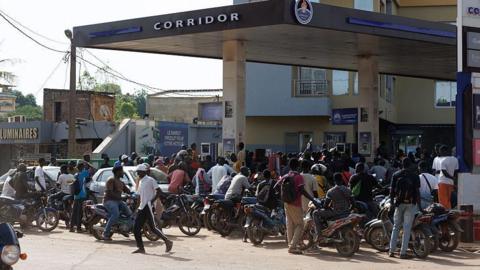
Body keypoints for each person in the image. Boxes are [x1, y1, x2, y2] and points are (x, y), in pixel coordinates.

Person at [132, 164, 173, 254]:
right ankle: (141, 248)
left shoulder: (150, 180)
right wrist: (137, 208)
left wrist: (151, 201)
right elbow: (139, 196)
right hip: (142, 207)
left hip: (148, 206)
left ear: (143, 172)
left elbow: (159, 191)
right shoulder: (141, 181)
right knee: (136, 229)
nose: (137, 173)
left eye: (139, 172)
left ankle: (167, 241)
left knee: (153, 227)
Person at [388, 158, 421, 259]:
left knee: (396, 227)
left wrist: (392, 203)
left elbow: (392, 191)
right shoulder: (414, 176)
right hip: (411, 204)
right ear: (410, 165)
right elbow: (417, 192)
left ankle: (391, 251)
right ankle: (403, 253)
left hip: (399, 203)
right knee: (407, 228)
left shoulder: (396, 175)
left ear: (401, 165)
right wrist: (420, 206)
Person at [102, 165, 132, 240]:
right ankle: (105, 233)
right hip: (109, 201)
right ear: (118, 172)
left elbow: (127, 190)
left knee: (129, 214)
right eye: (122, 171)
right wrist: (121, 197)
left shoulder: (121, 182)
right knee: (115, 214)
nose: (123, 173)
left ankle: (123, 228)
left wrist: (133, 193)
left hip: (118, 201)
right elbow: (110, 193)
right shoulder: (111, 180)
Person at [281, 158, 304, 255]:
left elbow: (277, 187)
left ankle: (290, 244)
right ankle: (293, 246)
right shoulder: (299, 177)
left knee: (290, 224)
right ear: (298, 166)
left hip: (286, 202)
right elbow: (302, 190)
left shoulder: (286, 176)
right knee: (300, 224)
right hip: (296, 203)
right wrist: (313, 199)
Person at [70, 163, 89, 233]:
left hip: (76, 195)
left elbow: (69, 183)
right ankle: (78, 228)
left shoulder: (75, 175)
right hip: (82, 195)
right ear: (82, 167)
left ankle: (71, 227)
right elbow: (92, 172)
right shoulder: (83, 174)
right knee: (80, 213)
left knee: (74, 212)